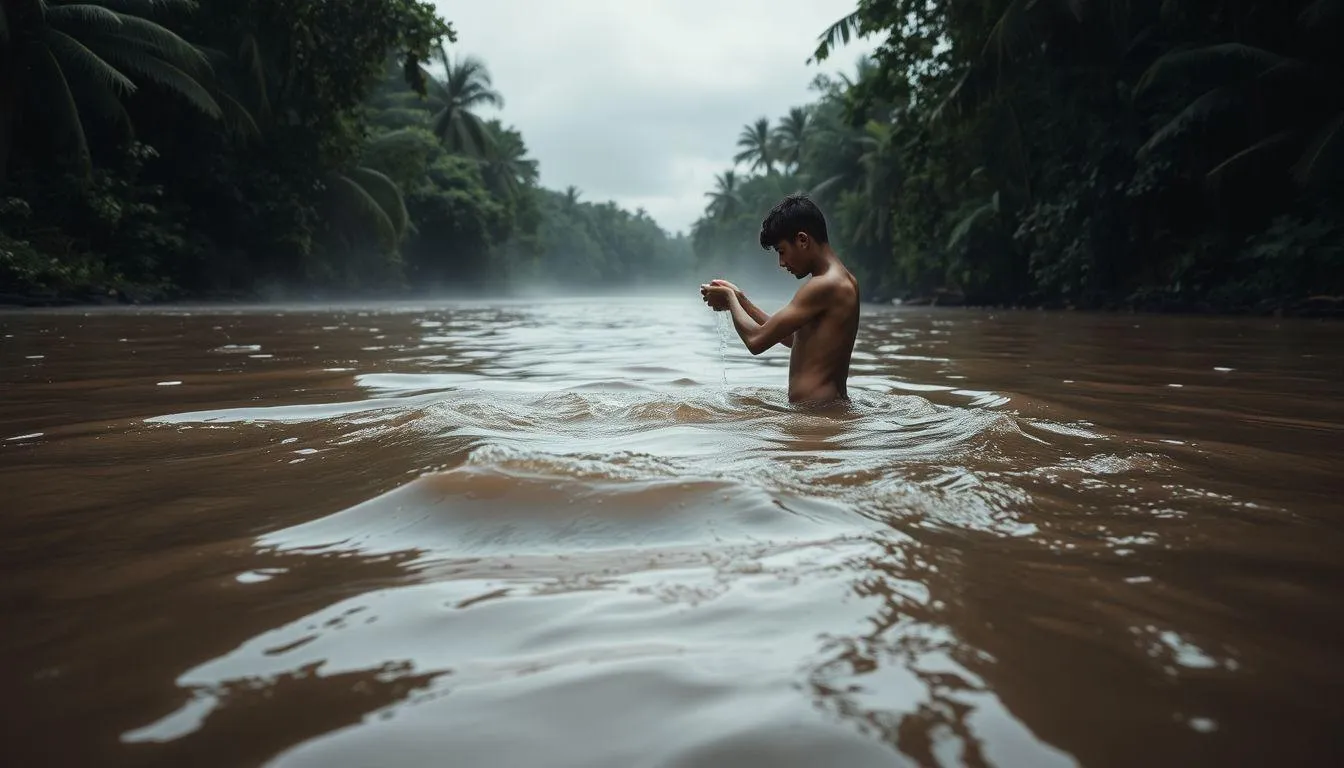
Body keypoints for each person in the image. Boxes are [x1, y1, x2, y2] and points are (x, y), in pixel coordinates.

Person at [700, 194, 860, 405]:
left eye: (782, 251)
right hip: (825, 412)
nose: (781, 263)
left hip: (815, 416)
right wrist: (741, 300)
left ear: (802, 240)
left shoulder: (823, 285)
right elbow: (795, 339)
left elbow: (756, 341)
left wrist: (730, 300)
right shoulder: (843, 280)